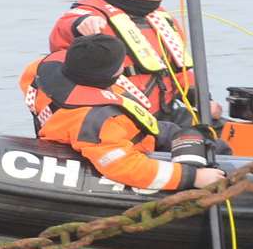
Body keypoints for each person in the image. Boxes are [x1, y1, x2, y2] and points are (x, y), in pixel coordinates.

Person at [20, 35, 226, 191]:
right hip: (133, 146)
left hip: (143, 131)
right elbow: (125, 167)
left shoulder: (38, 71)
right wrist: (191, 177)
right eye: (121, 64)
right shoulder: (97, 120)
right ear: (110, 75)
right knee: (217, 151)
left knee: (197, 134)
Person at [49, 0, 215, 125]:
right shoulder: (91, 14)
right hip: (124, 119)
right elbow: (62, 32)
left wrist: (203, 101)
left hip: (165, 113)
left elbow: (177, 70)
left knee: (215, 128)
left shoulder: (159, 17)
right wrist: (81, 24)